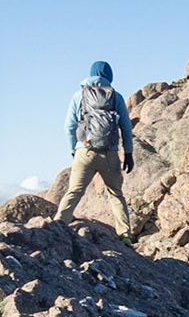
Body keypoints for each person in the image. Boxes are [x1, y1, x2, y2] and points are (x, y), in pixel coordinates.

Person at [54, 61, 135, 238]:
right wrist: (128, 153)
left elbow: (69, 126)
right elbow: (126, 127)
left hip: (84, 150)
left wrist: (74, 150)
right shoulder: (116, 97)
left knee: (74, 191)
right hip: (109, 153)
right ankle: (125, 235)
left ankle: (57, 227)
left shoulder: (79, 96)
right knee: (116, 195)